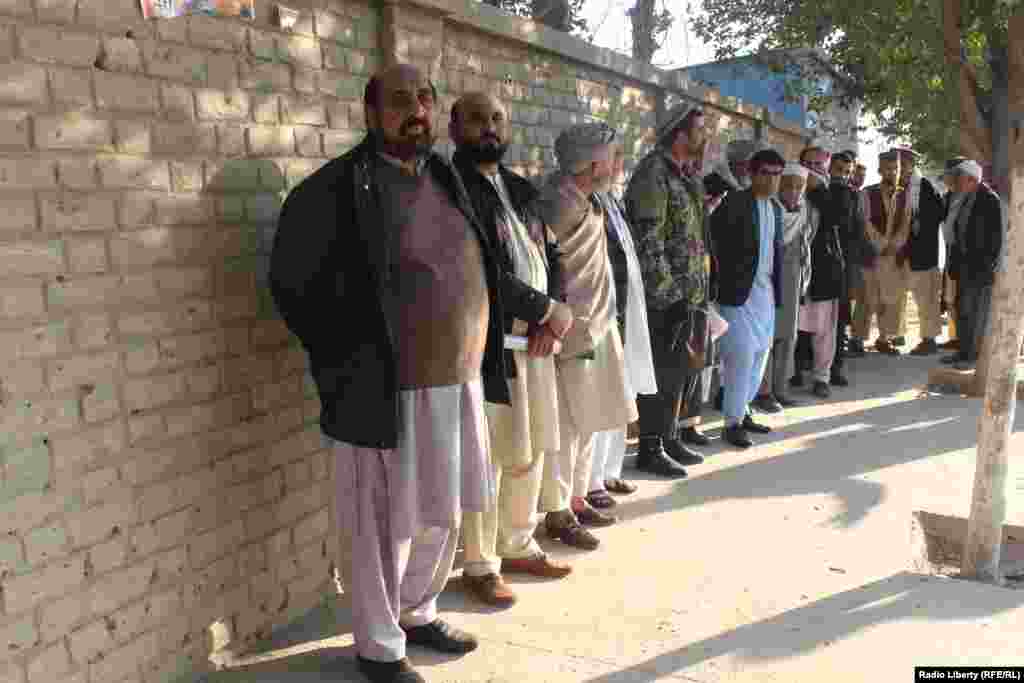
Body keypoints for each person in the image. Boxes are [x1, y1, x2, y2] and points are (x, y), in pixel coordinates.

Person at [270, 64, 504, 683]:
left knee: (442, 511)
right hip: (380, 390)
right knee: (377, 525)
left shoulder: (446, 178)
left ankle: (418, 611)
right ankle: (379, 647)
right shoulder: (332, 191)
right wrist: (350, 360)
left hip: (457, 380)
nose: (417, 111)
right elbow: (294, 289)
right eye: (401, 102)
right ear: (371, 114)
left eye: (425, 98)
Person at [449, 92, 573, 608]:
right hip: (488, 342)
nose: (490, 128)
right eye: (477, 119)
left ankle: (518, 542)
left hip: (536, 339)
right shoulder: (449, 188)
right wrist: (545, 309)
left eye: (497, 118)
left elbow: (553, 255)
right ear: (454, 128)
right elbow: (475, 267)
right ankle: (480, 565)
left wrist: (553, 313)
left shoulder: (520, 189)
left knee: (532, 446)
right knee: (491, 456)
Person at [535, 122, 638, 550]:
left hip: (597, 325)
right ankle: (558, 512)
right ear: (593, 162)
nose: (618, 165)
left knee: (588, 423)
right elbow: (543, 270)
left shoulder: (588, 199)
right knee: (568, 426)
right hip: (572, 331)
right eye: (613, 157)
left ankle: (576, 499)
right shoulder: (559, 203)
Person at [624, 103, 714, 476]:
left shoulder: (684, 174)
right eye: (698, 131)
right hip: (665, 298)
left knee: (679, 371)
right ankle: (650, 447)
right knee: (659, 371)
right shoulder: (653, 174)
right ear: (679, 135)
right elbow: (648, 240)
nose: (704, 137)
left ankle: (670, 435)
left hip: (689, 293)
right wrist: (668, 295)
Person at [587, 145, 659, 509]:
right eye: (614, 156)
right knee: (603, 397)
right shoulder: (588, 202)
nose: (621, 163)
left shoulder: (613, 201)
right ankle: (591, 480)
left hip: (627, 308)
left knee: (622, 391)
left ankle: (611, 470)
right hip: (603, 313)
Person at [710, 148, 785, 449]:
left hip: (765, 293)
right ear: (752, 174)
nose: (771, 181)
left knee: (759, 355)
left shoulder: (776, 209)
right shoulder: (735, 204)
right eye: (765, 173)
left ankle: (744, 410)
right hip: (737, 293)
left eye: (777, 175)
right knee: (740, 357)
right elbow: (714, 243)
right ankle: (731, 423)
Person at [942, 159, 1003, 370]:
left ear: (971, 179)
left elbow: (995, 239)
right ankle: (962, 351)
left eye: (960, 179)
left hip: (980, 268)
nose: (956, 184)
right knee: (962, 311)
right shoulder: (964, 198)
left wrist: (987, 264)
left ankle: (972, 357)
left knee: (977, 314)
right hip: (963, 266)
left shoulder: (989, 199)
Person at [762, 162, 815, 404]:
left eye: (799, 187)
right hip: (769, 279)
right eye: (788, 186)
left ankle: (780, 389)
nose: (794, 191)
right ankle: (763, 392)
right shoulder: (768, 209)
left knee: (787, 335)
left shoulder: (806, 211)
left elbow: (806, 245)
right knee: (767, 336)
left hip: (794, 281)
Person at [795, 153, 846, 398]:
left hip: (823, 272)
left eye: (819, 165)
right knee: (790, 328)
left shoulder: (835, 191)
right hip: (792, 271)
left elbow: (837, 216)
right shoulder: (788, 188)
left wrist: (818, 191)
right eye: (809, 164)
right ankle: (788, 375)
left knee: (824, 330)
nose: (813, 170)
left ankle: (821, 377)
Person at [892, 147, 946, 356]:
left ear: (912, 164)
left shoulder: (924, 186)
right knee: (895, 296)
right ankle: (894, 334)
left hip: (922, 254)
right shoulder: (896, 187)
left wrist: (916, 221)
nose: (901, 166)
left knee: (926, 299)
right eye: (899, 162)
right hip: (900, 253)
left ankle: (929, 339)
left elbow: (939, 213)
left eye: (904, 162)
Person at [854, 150, 909, 355]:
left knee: (891, 298)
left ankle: (885, 338)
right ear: (879, 170)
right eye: (888, 168)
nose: (893, 172)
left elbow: (906, 223)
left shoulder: (904, 195)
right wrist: (881, 244)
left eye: (896, 168)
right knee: (867, 298)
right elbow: (865, 221)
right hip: (872, 253)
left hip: (894, 256)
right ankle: (858, 338)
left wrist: (896, 244)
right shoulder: (866, 194)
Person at [939, 156, 968, 350]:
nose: (946, 181)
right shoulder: (948, 197)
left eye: (949, 176)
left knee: (963, 300)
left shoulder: (968, 196)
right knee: (951, 299)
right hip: (950, 254)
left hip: (964, 256)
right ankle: (955, 336)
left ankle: (965, 340)